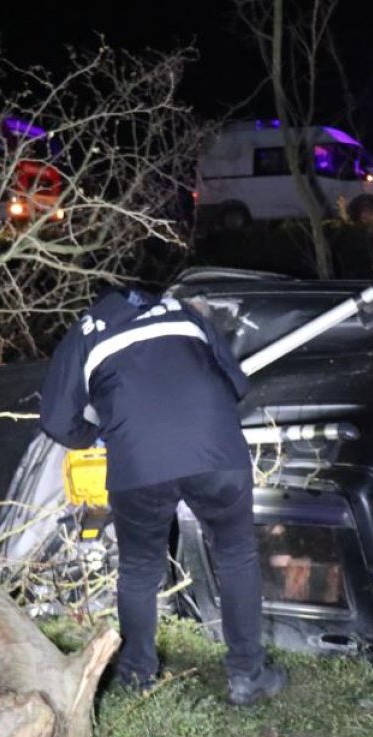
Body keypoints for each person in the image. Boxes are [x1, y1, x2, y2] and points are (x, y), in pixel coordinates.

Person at [39, 285, 286, 706]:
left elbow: (57, 421)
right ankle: (248, 675)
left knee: (138, 569)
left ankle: (138, 675)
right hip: (217, 454)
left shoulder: (86, 330)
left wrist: (98, 436)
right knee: (237, 556)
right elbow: (237, 386)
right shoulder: (184, 315)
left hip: (138, 464)